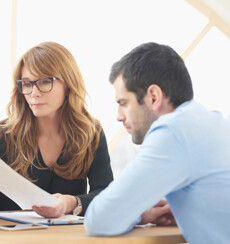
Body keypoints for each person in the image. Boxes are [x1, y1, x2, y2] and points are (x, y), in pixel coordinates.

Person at [84, 42, 230, 243]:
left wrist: (137, 212)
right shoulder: (213, 122)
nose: (119, 116)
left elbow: (98, 219)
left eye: (123, 103)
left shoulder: (174, 132)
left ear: (153, 96)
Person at [0, 41, 114, 218]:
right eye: (27, 84)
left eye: (45, 82)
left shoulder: (90, 133)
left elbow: (106, 195)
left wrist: (71, 202)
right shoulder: (1, 136)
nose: (34, 93)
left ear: (68, 85)